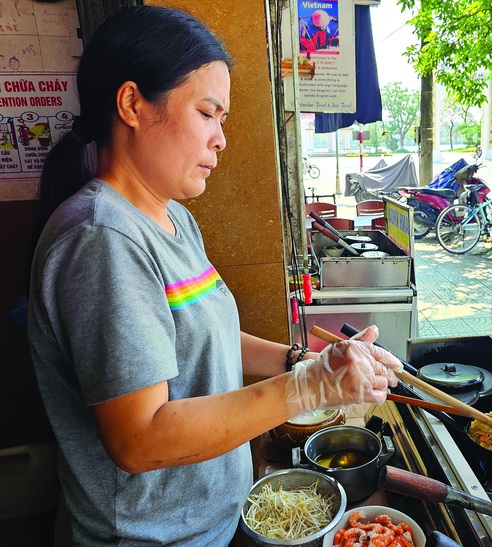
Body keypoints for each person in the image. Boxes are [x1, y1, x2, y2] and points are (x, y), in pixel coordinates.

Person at [26, 6, 402, 546]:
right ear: (132, 103)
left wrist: (304, 361)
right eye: (207, 113)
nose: (221, 139)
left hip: (208, 521)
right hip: (149, 537)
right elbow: (140, 438)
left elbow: (206, 332)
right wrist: (307, 388)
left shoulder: (171, 215)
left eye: (221, 119)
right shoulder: (101, 240)